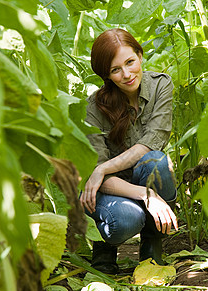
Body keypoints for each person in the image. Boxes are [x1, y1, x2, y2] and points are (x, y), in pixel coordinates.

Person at [80, 28, 178, 275]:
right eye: (115, 70)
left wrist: (102, 168)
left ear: (140, 56)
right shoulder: (94, 107)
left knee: (157, 161)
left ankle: (152, 246)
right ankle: (103, 249)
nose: (126, 74)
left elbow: (151, 143)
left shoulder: (160, 86)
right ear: (107, 75)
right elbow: (97, 180)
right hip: (110, 190)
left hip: (142, 173)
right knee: (126, 219)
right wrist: (148, 196)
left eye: (130, 62)